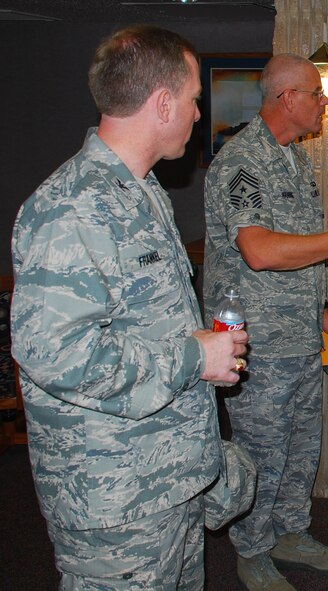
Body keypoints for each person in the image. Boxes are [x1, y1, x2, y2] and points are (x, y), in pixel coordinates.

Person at [10, 25, 249, 589]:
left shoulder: (140, 191)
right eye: (193, 99)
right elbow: (58, 356)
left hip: (169, 478)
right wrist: (194, 358)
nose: (198, 113)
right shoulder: (69, 208)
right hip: (115, 503)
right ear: (162, 103)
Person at [203, 53, 328, 591]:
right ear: (287, 99)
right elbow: (257, 251)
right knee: (261, 453)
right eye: (316, 93)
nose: (325, 102)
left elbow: (295, 253)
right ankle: (253, 550)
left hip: (299, 337)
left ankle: (290, 533)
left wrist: (323, 316)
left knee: (301, 449)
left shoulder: (294, 159)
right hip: (256, 346)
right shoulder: (242, 161)